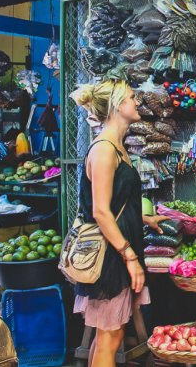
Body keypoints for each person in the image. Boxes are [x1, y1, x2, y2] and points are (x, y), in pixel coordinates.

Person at [70, 79, 168, 367]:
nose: (136, 101)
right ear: (115, 106)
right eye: (130, 97)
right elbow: (100, 212)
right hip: (110, 258)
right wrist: (130, 257)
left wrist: (144, 218)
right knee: (110, 338)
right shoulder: (103, 151)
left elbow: (115, 204)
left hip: (118, 252)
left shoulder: (117, 147)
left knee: (109, 336)